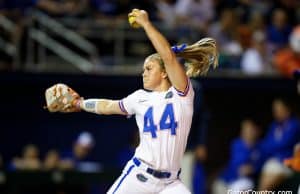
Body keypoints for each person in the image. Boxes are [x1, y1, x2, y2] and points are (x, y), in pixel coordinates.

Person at [55, 8, 218, 194]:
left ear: (164, 73)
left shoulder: (183, 95)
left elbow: (168, 56)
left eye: (149, 68)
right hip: (139, 176)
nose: (144, 73)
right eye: (143, 69)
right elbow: (108, 106)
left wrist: (146, 24)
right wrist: (79, 103)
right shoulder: (139, 97)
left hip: (171, 184)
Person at [212, 119, 264, 194]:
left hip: (246, 181)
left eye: (250, 129)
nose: (247, 132)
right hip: (228, 179)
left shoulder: (260, 147)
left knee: (243, 187)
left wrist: (252, 169)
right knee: (217, 185)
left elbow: (260, 165)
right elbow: (235, 163)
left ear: (255, 131)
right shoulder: (236, 144)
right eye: (245, 129)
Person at [258, 98, 300, 191]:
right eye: (275, 110)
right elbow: (265, 145)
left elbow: (285, 144)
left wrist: (273, 145)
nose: (277, 112)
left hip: (287, 163)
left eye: (279, 109)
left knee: (265, 188)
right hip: (273, 161)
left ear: (287, 109)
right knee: (263, 184)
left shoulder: (294, 124)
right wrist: (275, 145)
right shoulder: (274, 126)